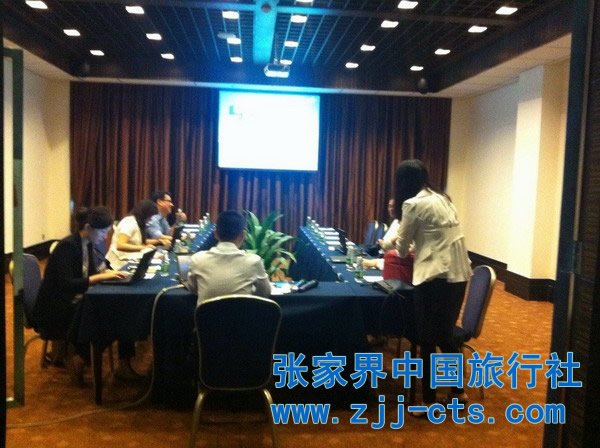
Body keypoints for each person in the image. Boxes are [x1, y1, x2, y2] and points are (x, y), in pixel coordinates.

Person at [394, 159, 472, 413]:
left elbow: (402, 250)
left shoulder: (412, 204)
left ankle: (428, 401)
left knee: (427, 339)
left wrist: (399, 240)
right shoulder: (444, 199)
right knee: (445, 335)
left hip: (433, 279)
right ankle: (458, 392)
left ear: (403, 182)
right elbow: (438, 238)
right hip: (458, 275)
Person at [33, 206, 139, 383]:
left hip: (73, 300)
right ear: (88, 228)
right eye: (103, 232)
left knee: (120, 311)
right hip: (56, 307)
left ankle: (121, 365)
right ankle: (81, 357)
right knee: (107, 317)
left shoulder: (87, 244)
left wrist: (108, 273)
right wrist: (100, 277)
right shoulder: (68, 246)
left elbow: (90, 273)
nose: (104, 237)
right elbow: (67, 284)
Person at [186, 210, 271, 304]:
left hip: (206, 313)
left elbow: (193, 288)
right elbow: (265, 292)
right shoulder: (254, 261)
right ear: (243, 235)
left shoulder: (198, 259)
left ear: (215, 234)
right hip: (242, 313)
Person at [106, 199, 161, 270]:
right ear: (145, 214)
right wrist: (144, 247)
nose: (151, 219)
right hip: (118, 264)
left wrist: (158, 241)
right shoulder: (129, 222)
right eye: (150, 216)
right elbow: (120, 245)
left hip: (128, 258)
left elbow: (138, 241)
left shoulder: (138, 222)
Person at [363, 198, 401, 270]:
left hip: (388, 262)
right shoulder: (396, 221)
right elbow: (386, 242)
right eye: (390, 206)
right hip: (382, 257)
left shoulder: (405, 227)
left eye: (394, 206)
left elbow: (388, 245)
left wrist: (375, 263)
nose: (391, 209)